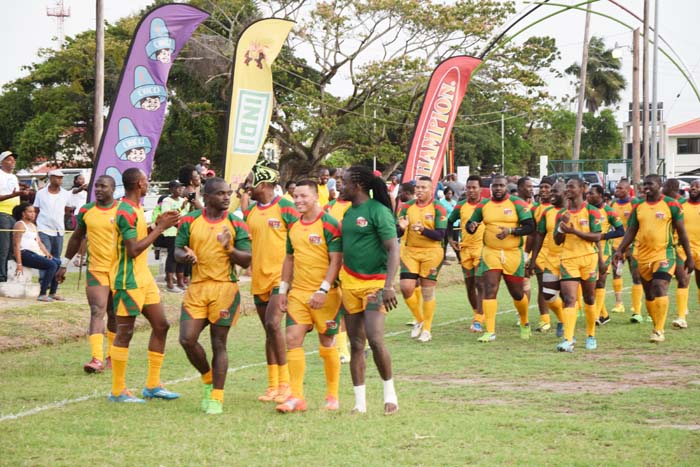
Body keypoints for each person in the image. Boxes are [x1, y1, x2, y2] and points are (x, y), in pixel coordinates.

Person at [176, 177, 251, 415]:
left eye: (228, 193)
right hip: (197, 287)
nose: (227, 197)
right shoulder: (190, 221)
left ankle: (216, 396)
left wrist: (229, 248)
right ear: (206, 197)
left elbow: (247, 259)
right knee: (187, 339)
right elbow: (177, 249)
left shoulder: (237, 223)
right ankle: (208, 378)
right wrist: (185, 256)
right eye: (220, 194)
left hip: (225, 288)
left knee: (219, 343)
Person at [108, 168, 181, 403]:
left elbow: (140, 239)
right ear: (140, 183)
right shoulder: (125, 211)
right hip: (127, 280)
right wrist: (160, 229)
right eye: (146, 181)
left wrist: (156, 225)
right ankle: (118, 390)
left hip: (143, 278)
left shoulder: (137, 208)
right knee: (125, 333)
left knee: (162, 325)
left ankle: (153, 385)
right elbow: (133, 249)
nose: (148, 183)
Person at [274, 180, 343, 413]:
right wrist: (283, 290)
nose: (298, 201)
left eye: (303, 196)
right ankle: (296, 397)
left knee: (327, 342)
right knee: (292, 339)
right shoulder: (293, 226)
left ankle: (332, 395)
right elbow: (289, 259)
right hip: (298, 294)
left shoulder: (329, 223)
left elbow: (336, 259)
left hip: (327, 295)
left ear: (316, 197)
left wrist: (323, 289)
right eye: (295, 196)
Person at [339, 166, 399, 415]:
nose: (339, 187)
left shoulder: (378, 211)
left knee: (374, 339)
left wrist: (388, 285)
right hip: (350, 284)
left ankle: (390, 395)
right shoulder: (347, 214)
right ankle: (359, 404)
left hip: (375, 285)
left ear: (358, 185)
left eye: (343, 182)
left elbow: (393, 249)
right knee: (355, 343)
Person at [242, 163, 299, 403]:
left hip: (280, 278)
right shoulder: (252, 211)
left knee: (274, 324)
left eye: (249, 182)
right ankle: (272, 385)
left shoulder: (286, 206)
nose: (246, 187)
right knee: (269, 330)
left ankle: (286, 384)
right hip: (259, 279)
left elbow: (299, 239)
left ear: (263, 184)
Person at [613, 174, 694, 343]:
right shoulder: (639, 206)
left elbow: (682, 232)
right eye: (644, 184)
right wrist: (620, 249)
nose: (646, 187)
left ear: (660, 185)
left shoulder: (671, 205)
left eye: (650, 184)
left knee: (659, 286)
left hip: (665, 254)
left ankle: (658, 330)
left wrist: (689, 257)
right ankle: (657, 324)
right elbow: (631, 230)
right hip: (643, 255)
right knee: (649, 294)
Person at [55, 175, 118, 373]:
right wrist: (64, 264)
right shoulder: (86, 210)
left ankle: (113, 356)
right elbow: (76, 237)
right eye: (96, 186)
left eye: (103, 186)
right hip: (96, 268)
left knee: (114, 314)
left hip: (118, 270)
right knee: (96, 310)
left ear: (113, 189)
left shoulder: (122, 210)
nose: (99, 189)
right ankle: (97, 358)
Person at [466, 174, 535, 342]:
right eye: (495, 186)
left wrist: (511, 231)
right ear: (490, 187)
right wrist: (472, 226)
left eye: (501, 186)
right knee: (490, 287)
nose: (498, 188)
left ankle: (524, 321)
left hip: (512, 254)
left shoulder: (517, 203)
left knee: (517, 293)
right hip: (491, 252)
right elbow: (470, 225)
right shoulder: (484, 205)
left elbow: (530, 227)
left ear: (506, 186)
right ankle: (490, 331)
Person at [552, 178, 605, 352]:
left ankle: (591, 335)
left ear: (583, 189)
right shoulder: (562, 214)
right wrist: (562, 228)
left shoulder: (592, 211)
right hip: (568, 259)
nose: (567, 190)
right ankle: (568, 339)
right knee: (569, 299)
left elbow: (597, 236)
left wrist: (574, 231)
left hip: (588, 258)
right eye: (566, 187)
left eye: (571, 187)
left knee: (589, 298)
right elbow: (557, 240)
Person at [397, 176, 447, 343]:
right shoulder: (406, 207)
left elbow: (440, 235)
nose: (419, 190)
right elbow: (397, 232)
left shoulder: (438, 207)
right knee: (406, 287)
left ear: (431, 190)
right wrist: (401, 228)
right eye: (417, 187)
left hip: (432, 252)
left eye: (423, 187)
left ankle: (427, 329)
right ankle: (419, 319)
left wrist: (424, 230)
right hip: (410, 251)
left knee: (427, 290)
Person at [529, 181, 567, 337]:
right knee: (548, 294)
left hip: (570, 258)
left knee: (568, 294)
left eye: (555, 191)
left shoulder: (576, 211)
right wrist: (532, 258)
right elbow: (538, 235)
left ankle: (568, 328)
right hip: (549, 257)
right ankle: (560, 319)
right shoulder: (547, 212)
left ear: (565, 193)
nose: (551, 194)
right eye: (550, 191)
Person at [447, 175, 485, 332]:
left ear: (480, 189)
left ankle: (479, 318)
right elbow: (449, 222)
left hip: (481, 248)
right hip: (465, 249)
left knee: (480, 283)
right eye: (468, 188)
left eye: (474, 187)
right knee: (469, 285)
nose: (471, 190)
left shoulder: (486, 205)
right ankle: (476, 313)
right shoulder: (460, 206)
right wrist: (450, 239)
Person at [586, 185, 624, 326]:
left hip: (604, 253)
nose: (588, 195)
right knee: (590, 285)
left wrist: (603, 236)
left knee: (600, 283)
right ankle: (604, 315)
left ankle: (596, 316)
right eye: (588, 193)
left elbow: (621, 231)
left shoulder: (608, 211)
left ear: (600, 195)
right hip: (588, 251)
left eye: (592, 193)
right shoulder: (585, 209)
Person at [323, 177, 352, 364]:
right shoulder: (327, 208)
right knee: (338, 306)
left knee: (353, 308)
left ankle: (361, 342)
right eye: (338, 181)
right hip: (334, 261)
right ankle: (343, 351)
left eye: (344, 181)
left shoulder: (355, 207)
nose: (340, 184)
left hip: (352, 261)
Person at [32, 169, 71, 299]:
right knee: (45, 256)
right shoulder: (41, 193)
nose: (60, 180)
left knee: (56, 258)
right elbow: (36, 209)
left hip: (59, 230)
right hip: (43, 228)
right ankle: (44, 284)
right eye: (57, 177)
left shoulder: (65, 194)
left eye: (61, 178)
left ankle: (53, 289)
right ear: (51, 178)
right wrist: (34, 225)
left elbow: (68, 208)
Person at [11, 202, 61, 301]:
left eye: (34, 212)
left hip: (35, 253)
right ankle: (42, 294)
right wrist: (19, 263)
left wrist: (47, 253)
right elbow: (16, 245)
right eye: (30, 212)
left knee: (58, 263)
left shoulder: (33, 226)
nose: (33, 214)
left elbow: (39, 242)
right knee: (52, 265)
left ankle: (52, 293)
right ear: (23, 214)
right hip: (24, 253)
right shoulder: (20, 225)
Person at [609, 179, 642, 317]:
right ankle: (619, 304)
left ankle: (636, 308)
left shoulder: (634, 203)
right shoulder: (612, 204)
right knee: (617, 272)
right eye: (616, 188)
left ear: (628, 190)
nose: (617, 190)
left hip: (632, 246)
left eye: (620, 188)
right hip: (617, 245)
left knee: (636, 275)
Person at [662, 178, 690, 328]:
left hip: (677, 247)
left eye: (664, 186)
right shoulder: (665, 202)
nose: (662, 188)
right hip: (664, 248)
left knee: (682, 279)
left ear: (671, 187)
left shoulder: (681, 205)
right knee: (661, 283)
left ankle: (681, 316)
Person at [0, 151, 29, 283]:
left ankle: (10, 275)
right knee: (4, 247)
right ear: (2, 162)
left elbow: (16, 195)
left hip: (14, 215)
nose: (13, 162)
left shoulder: (13, 177)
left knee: (14, 247)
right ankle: (2, 277)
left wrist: (24, 194)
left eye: (14, 160)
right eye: (9, 160)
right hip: (3, 213)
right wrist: (13, 195)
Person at [530, 176, 554, 332]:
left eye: (547, 187)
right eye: (542, 187)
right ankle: (544, 320)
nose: (544, 190)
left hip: (558, 252)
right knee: (543, 286)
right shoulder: (534, 209)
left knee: (561, 288)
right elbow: (532, 234)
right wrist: (529, 257)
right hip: (540, 253)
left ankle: (565, 316)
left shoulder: (560, 208)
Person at [158, 180, 188, 293]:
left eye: (181, 188)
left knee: (182, 257)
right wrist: (181, 207)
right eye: (177, 188)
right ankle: (170, 283)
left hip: (182, 232)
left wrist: (189, 205)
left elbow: (186, 215)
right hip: (171, 232)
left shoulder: (182, 200)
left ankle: (181, 282)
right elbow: (167, 216)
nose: (180, 190)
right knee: (172, 258)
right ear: (171, 189)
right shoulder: (167, 201)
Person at [685, 180, 700, 312]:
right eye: (692, 186)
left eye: (697, 186)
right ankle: (682, 312)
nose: (693, 188)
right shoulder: (682, 206)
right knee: (684, 279)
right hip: (685, 249)